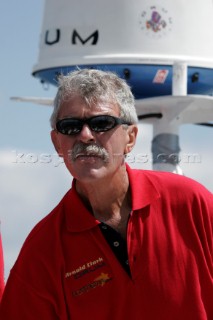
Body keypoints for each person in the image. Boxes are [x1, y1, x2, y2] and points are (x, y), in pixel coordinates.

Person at [0, 69, 212, 320]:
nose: (86, 135)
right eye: (71, 127)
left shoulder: (190, 203)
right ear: (57, 144)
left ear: (130, 138)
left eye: (101, 123)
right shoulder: (42, 250)